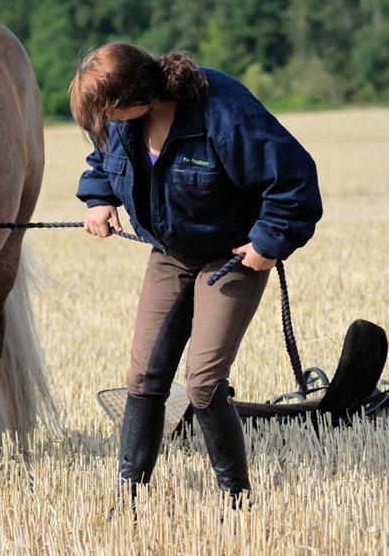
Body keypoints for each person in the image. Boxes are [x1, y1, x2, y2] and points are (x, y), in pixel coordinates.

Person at [70, 43, 322, 512]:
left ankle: (237, 500)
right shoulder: (121, 120)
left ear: (136, 96)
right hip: (170, 253)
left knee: (203, 382)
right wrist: (98, 198)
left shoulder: (224, 111)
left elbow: (294, 179)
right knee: (144, 376)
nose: (102, 123)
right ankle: (128, 498)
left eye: (107, 112)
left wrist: (269, 242)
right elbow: (102, 158)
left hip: (232, 257)